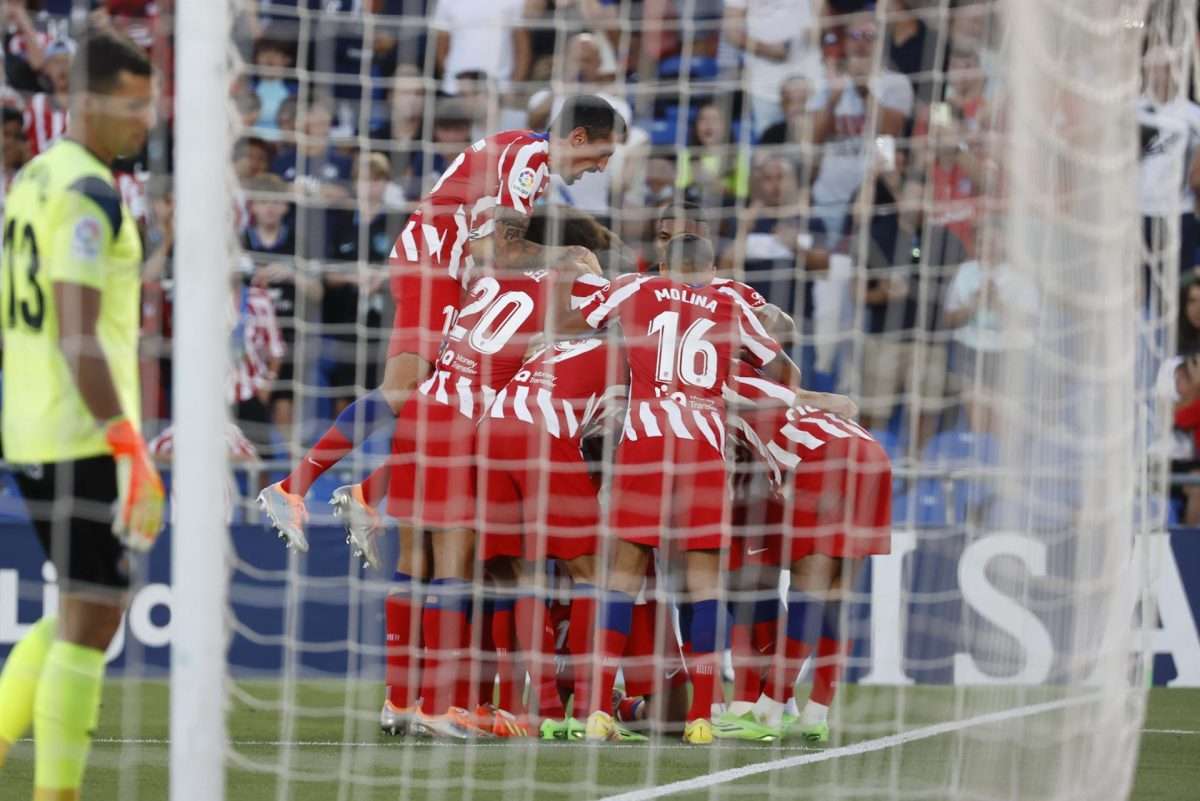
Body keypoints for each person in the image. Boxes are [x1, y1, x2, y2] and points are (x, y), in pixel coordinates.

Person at [256, 95, 625, 736]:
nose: (599, 170)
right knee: (413, 388)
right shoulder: (530, 161)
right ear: (582, 135)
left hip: (427, 261)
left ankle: (365, 496)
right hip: (436, 264)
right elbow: (497, 253)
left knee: (435, 394)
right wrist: (566, 259)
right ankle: (298, 486)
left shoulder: (516, 150)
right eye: (601, 155)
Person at [0, 30, 162, 799]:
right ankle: (55, 792)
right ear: (87, 102)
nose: (145, 121)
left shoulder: (32, 178)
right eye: (132, 106)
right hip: (81, 429)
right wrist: (128, 444)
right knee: (97, 615)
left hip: (30, 421)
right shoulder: (90, 193)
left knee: (81, 602)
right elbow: (77, 332)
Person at [575, 234, 797, 745]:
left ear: (663, 264)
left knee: (623, 580)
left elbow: (579, 319)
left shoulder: (633, 287)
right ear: (710, 268)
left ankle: (596, 710)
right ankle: (700, 717)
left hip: (644, 443)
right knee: (705, 586)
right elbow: (778, 365)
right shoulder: (729, 300)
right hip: (701, 446)